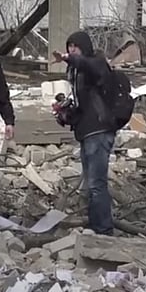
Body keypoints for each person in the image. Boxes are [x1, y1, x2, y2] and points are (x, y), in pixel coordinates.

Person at [51, 31, 116, 236]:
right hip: (87, 132)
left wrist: (73, 59)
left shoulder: (95, 63)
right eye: (69, 47)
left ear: (84, 48)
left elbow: (92, 67)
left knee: (97, 184)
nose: (71, 51)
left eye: (75, 47)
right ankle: (94, 225)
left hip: (99, 131)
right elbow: (82, 107)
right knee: (89, 185)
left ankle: (103, 230)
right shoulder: (77, 74)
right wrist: (64, 114)